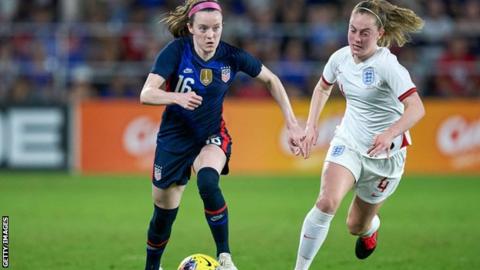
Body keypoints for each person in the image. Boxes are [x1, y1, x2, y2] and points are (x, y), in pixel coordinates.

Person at [139, 1, 304, 270]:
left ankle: (225, 257)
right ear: (191, 28)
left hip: (211, 135)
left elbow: (271, 80)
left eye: (216, 28)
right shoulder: (176, 52)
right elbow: (146, 94)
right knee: (163, 216)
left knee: (207, 182)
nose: (210, 35)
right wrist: (176, 97)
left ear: (222, 27)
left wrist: (292, 123)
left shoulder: (231, 56)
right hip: (174, 141)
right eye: (203, 29)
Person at [293, 1, 425, 269]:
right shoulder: (340, 58)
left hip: (386, 157)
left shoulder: (388, 66)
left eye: (365, 32)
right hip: (349, 144)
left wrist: (390, 133)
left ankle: (370, 229)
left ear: (380, 34)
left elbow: (417, 108)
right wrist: (311, 125)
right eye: (352, 30)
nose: (356, 38)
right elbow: (322, 88)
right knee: (326, 202)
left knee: (355, 225)